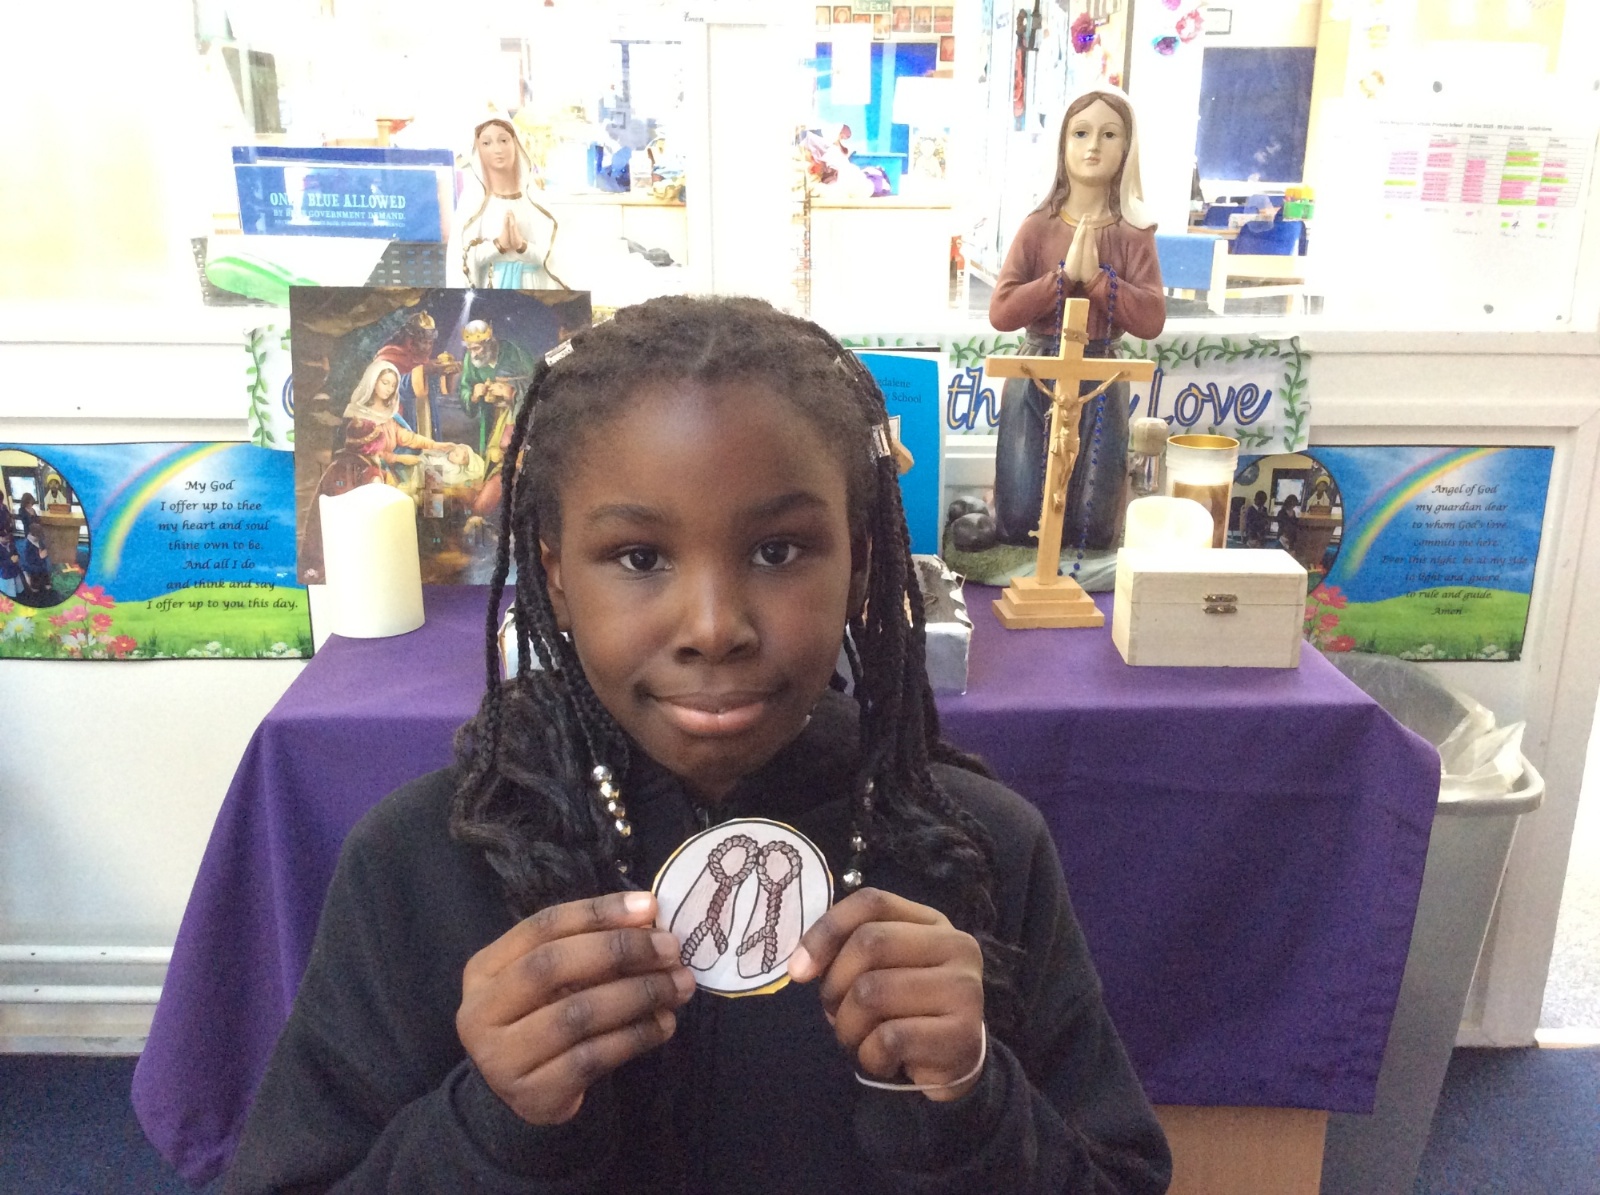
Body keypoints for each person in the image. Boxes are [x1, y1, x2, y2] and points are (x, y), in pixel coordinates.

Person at [226, 297, 1172, 1194]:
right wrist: (487, 1125)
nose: (714, 627)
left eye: (778, 550)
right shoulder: (421, 864)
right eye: (639, 557)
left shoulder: (980, 852)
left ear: (860, 564)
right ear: (555, 578)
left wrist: (972, 1100)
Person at [989, 85, 1166, 552]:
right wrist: (1063, 280)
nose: (1093, 146)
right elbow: (1002, 311)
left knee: (1093, 517)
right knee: (1022, 511)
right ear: (1062, 144)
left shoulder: (1134, 233)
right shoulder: (1038, 226)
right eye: (1081, 133)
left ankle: (1083, 569)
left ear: (1127, 147)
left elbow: (1151, 319)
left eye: (1109, 134)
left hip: (1102, 373)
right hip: (1037, 368)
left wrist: (1101, 282)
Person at [449, 117, 570, 291]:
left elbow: (556, 257)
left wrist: (522, 246)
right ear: (478, 150)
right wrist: (498, 245)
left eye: (503, 140)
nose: (497, 149)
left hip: (533, 287)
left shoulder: (536, 201)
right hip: (493, 287)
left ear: (515, 143)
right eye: (487, 143)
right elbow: (462, 258)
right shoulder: (473, 203)